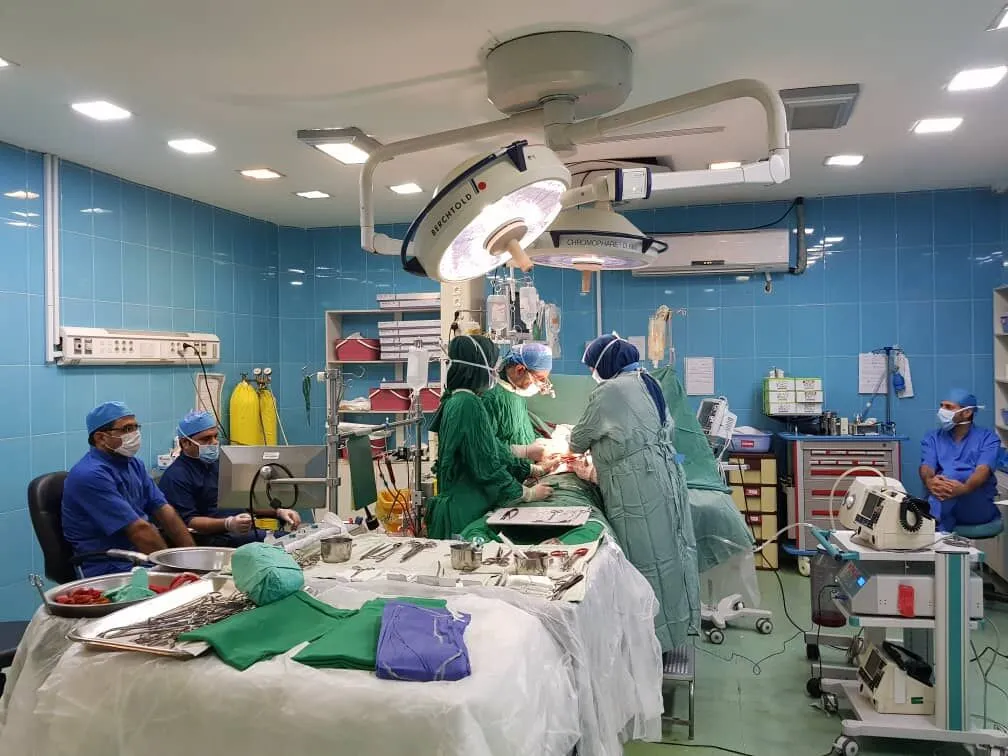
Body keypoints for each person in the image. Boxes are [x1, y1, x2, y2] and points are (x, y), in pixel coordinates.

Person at [567, 334, 700, 652]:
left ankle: (650, 642)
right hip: (664, 476)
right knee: (672, 553)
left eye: (592, 367)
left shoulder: (610, 391)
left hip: (639, 487)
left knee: (646, 561)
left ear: (603, 365)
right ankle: (677, 626)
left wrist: (582, 459)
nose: (592, 374)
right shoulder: (646, 380)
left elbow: (577, 440)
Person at [425, 335, 555, 540]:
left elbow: (491, 448)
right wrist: (526, 494)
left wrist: (531, 469)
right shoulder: (468, 405)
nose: (495, 373)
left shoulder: (456, 399)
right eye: (492, 368)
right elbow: (486, 466)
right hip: (464, 511)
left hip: (464, 503)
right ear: (477, 368)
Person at [62, 401, 196, 577]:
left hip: (140, 559)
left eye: (135, 427)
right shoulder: (90, 475)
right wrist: (174, 572)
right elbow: (139, 530)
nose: (134, 434)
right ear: (101, 438)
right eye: (126, 429)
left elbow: (165, 511)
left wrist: (192, 560)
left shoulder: (133, 464)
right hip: (109, 567)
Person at [158, 410, 302, 546]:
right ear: (185, 443)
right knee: (286, 546)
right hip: (212, 541)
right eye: (206, 439)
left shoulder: (219, 465)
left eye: (215, 436)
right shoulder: (176, 477)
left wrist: (278, 512)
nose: (214, 442)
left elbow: (244, 502)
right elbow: (188, 522)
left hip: (240, 534)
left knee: (296, 541)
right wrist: (228, 523)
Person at [919, 388, 1001, 532]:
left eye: (948, 407)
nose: (942, 410)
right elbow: (927, 466)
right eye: (941, 405)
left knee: (954, 475)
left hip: (975, 503)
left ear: (967, 412)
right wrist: (929, 481)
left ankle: (933, 524)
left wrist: (964, 488)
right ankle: (937, 526)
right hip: (942, 497)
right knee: (943, 483)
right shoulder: (933, 437)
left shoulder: (988, 438)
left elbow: (983, 470)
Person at [482, 342, 554, 448]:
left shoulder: (516, 391)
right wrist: (524, 452)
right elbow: (487, 447)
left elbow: (521, 431)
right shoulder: (490, 399)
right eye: (539, 378)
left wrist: (540, 442)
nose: (540, 385)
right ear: (520, 370)